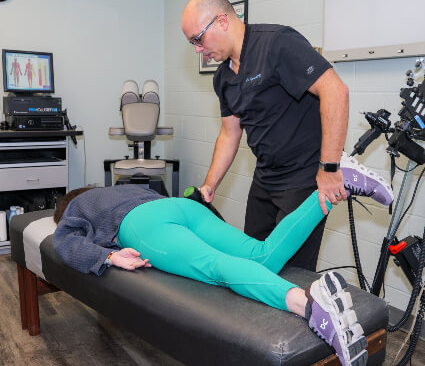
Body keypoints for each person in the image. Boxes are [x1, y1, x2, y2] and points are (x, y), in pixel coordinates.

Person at [53, 154, 393, 366]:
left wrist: (109, 255)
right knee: (261, 255)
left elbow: (64, 242)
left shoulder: (76, 207)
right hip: (181, 207)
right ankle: (334, 187)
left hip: (142, 225)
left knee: (215, 267)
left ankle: (309, 306)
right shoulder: (121, 189)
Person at [181, 0, 350, 272]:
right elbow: (229, 133)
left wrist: (330, 168)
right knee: (253, 265)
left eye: (198, 39)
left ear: (222, 21)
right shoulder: (223, 77)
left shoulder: (277, 43)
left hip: (304, 180)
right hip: (265, 180)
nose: (198, 49)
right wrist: (209, 186)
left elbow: (336, 91)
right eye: (192, 43)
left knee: (291, 277)